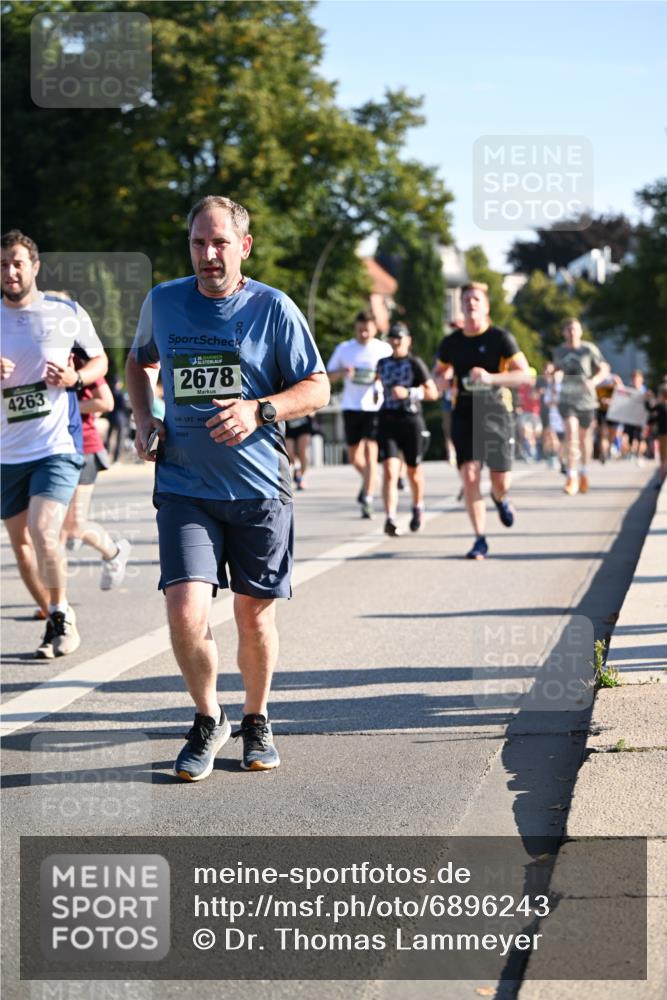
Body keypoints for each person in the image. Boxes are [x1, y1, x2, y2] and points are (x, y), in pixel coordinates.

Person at [126, 195, 329, 780]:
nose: (208, 255)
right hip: (186, 485)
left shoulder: (273, 307)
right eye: (198, 243)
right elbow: (138, 365)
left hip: (259, 488)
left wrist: (259, 410)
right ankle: (208, 716)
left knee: (253, 616)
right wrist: (145, 420)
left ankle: (257, 718)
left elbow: (315, 387)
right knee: (185, 607)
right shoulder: (164, 301)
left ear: (243, 245)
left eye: (219, 243)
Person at [1, 229, 108, 656]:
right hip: (6, 450)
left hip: (55, 445)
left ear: (35, 267)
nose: (9, 271)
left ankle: (61, 614)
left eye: (16, 262)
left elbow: (99, 359)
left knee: (43, 532)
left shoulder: (64, 311)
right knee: (21, 546)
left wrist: (75, 378)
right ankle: (52, 614)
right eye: (2, 264)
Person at [433, 282, 532, 560]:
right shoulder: (451, 342)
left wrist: (491, 378)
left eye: (476, 299)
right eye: (466, 299)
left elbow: (524, 375)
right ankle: (480, 538)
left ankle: (500, 498)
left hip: (497, 412)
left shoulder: (501, 338)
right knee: (469, 475)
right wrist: (440, 380)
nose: (470, 303)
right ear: (461, 306)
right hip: (464, 411)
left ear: (486, 306)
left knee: (500, 480)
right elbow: (438, 372)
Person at [61, 350, 132, 588]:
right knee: (48, 529)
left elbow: (105, 402)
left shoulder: (80, 359)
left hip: (83, 447)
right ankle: (54, 602)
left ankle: (113, 553)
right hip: (44, 450)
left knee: (72, 525)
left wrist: (64, 405)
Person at [326, 309, 392, 518]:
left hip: (375, 406)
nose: (363, 334)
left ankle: (368, 498)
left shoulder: (384, 349)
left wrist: (379, 378)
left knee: (371, 453)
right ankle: (369, 480)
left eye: (367, 330)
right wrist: (343, 372)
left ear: (375, 329)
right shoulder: (345, 349)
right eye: (360, 330)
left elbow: (395, 374)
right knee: (354, 456)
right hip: (351, 406)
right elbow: (327, 375)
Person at [375, 322, 438, 536]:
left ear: (408, 340)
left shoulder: (415, 363)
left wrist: (409, 392)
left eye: (399, 338)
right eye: (392, 338)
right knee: (390, 471)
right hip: (387, 420)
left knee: (413, 471)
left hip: (411, 421)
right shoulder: (382, 364)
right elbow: (376, 383)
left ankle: (418, 506)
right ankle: (390, 518)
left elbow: (433, 393)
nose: (396, 342)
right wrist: (375, 392)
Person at [553, 319, 609, 495]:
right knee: (571, 433)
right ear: (563, 332)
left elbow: (604, 368)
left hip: (586, 400)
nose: (571, 332)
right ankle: (571, 476)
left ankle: (584, 472)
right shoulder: (559, 351)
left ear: (580, 332)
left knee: (584, 439)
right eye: (568, 329)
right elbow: (556, 369)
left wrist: (594, 381)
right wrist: (554, 375)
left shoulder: (589, 349)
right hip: (567, 399)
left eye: (574, 329)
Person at [285, 415, 315, 489]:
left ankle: (302, 477)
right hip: (288, 425)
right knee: (290, 454)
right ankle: (297, 468)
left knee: (302, 451)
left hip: (304, 425)